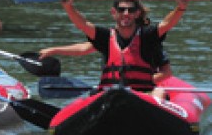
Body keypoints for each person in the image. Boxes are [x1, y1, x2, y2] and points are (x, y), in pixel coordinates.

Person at [55, 0, 190, 97]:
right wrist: (68, 6)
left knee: (159, 92)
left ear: (137, 14)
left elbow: (167, 23)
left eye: (131, 10)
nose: (126, 13)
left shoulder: (147, 36)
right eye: (121, 10)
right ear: (114, 12)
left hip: (143, 95)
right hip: (110, 95)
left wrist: (181, 7)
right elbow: (82, 24)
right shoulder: (105, 36)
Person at [39, 41, 172, 97]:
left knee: (159, 92)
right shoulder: (110, 38)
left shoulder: (151, 43)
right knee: (96, 95)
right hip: (111, 90)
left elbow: (167, 73)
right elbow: (83, 49)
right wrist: (54, 50)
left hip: (144, 91)